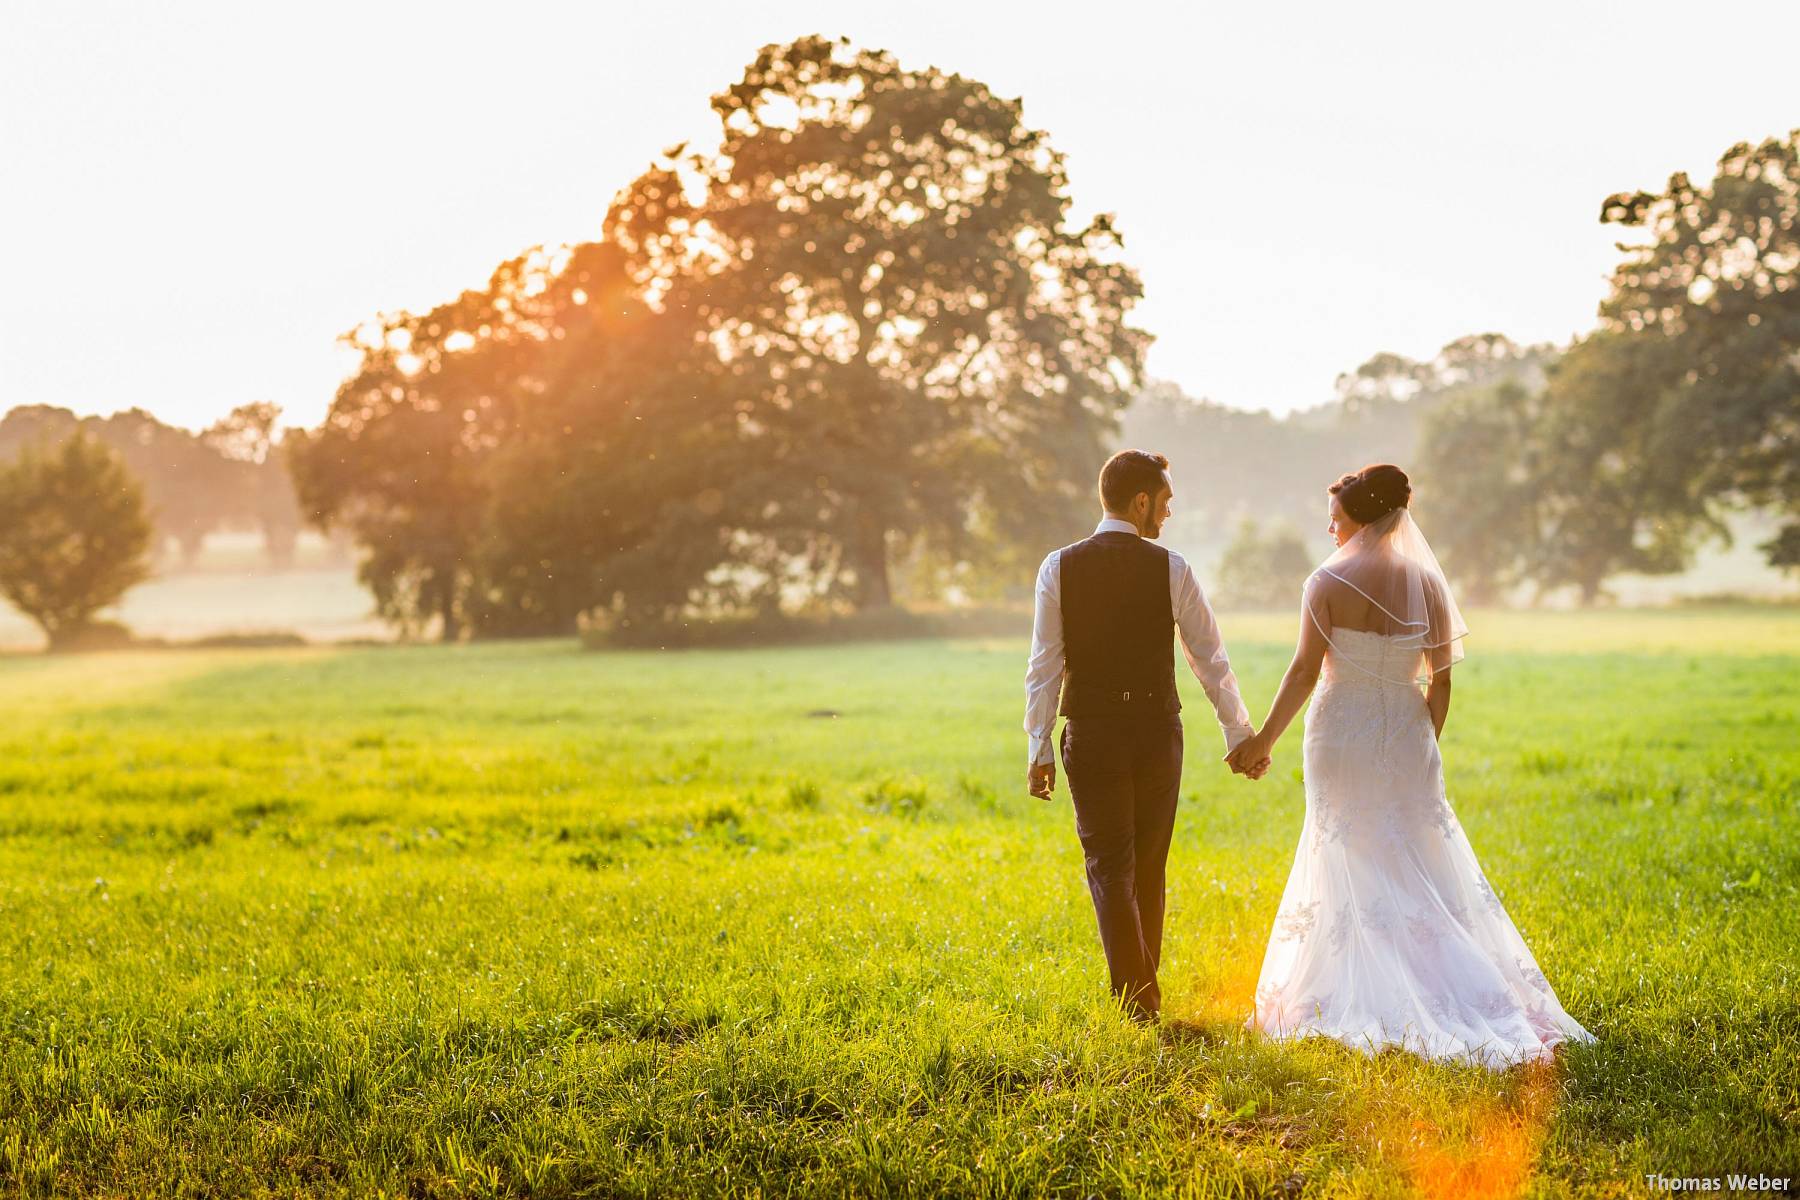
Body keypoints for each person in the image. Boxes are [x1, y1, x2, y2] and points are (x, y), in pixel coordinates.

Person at [1228, 463, 1596, 1068]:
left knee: (1344, 851)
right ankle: (1454, 984)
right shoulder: (1427, 583)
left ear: (1362, 518)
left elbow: (1302, 670)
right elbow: (1442, 682)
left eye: (1337, 518)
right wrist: (1418, 741)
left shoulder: (1324, 582)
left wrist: (1263, 739)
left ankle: (1355, 988)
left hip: (1339, 732)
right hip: (1406, 731)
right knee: (1418, 856)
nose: (1329, 527)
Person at [1024, 449, 1266, 1025]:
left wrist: (1038, 747)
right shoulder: (1172, 568)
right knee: (1147, 866)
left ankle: (1138, 1003)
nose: (1168, 513)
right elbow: (1211, 659)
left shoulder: (1058, 567)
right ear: (1140, 502)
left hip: (1093, 733)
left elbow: (1045, 665)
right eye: (1165, 502)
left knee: (1110, 865)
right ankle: (1141, 1000)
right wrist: (1237, 732)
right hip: (1159, 732)